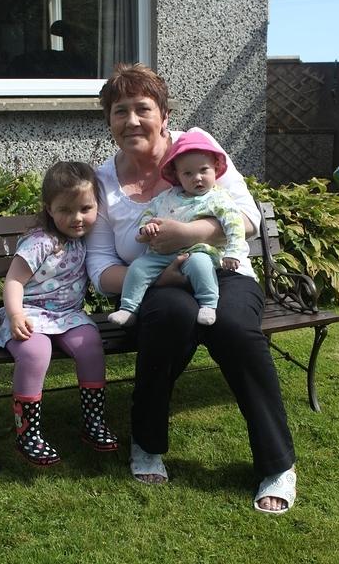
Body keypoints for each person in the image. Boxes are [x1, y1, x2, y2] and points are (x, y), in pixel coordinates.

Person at [86, 63, 297, 515]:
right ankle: (147, 442)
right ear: (109, 121)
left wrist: (187, 234)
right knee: (170, 317)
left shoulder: (198, 148)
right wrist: (160, 275)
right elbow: (101, 268)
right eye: (120, 111)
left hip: (226, 271)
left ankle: (278, 464)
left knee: (235, 328)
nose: (131, 120)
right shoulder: (102, 182)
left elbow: (247, 217)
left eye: (143, 108)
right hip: (155, 283)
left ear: (164, 115)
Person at [0, 161, 118, 466]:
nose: (77, 218)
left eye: (85, 208)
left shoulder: (87, 240)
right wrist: (15, 315)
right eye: (65, 210)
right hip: (29, 313)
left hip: (68, 315)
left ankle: (93, 421)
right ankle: (27, 433)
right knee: (36, 352)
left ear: (97, 206)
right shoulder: (40, 242)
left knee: (90, 345)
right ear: (49, 209)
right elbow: (14, 281)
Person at [107, 131, 246, 328]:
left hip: (197, 251)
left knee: (200, 265)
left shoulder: (217, 198)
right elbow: (149, 213)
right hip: (161, 255)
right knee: (138, 267)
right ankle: (128, 309)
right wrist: (147, 227)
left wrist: (233, 252)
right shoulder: (167, 197)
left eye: (204, 170)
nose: (197, 178)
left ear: (215, 168)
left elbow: (234, 224)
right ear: (178, 176)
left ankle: (208, 304)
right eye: (188, 173)